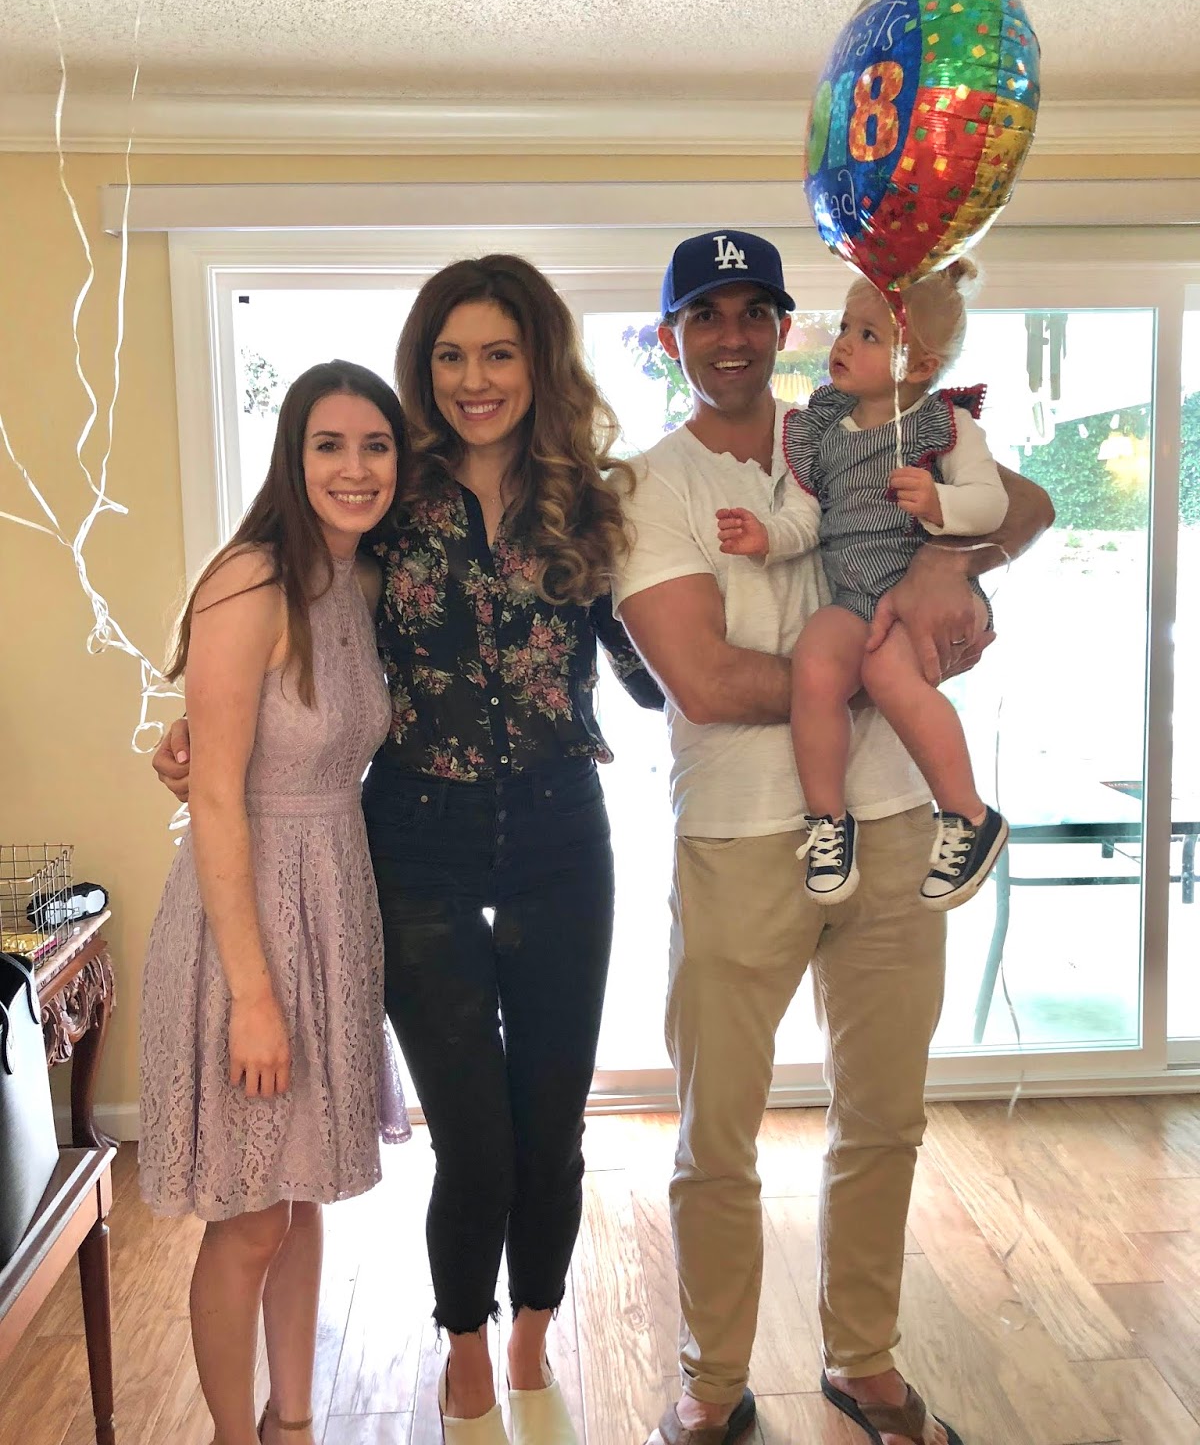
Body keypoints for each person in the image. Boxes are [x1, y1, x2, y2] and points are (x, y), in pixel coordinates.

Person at [154, 257, 664, 1445]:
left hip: (560, 836)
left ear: (538, 362)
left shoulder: (590, 507)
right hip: (412, 843)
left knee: (552, 1122)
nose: (475, 378)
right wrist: (193, 739)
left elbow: (652, 669)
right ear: (423, 370)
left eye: (498, 352)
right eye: (450, 355)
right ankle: (463, 1348)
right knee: (471, 1136)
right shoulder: (391, 503)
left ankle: (532, 1338)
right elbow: (283, 629)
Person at [612, 230, 1054, 1445]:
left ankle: (864, 1360)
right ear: (673, 337)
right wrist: (876, 672)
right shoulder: (649, 486)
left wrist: (951, 562)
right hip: (740, 839)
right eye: (707, 315)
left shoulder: (859, 421)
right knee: (717, 1134)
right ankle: (712, 1381)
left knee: (885, 1117)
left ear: (786, 327)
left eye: (755, 311)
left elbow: (1030, 502)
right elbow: (704, 679)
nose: (734, 336)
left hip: (900, 822)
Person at [139, 360, 411, 1445]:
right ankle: (230, 1435)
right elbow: (213, 793)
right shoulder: (248, 581)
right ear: (292, 458)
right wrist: (253, 997)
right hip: (243, 925)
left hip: (334, 901)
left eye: (376, 445)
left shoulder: (362, 581)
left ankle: (293, 1423)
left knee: (299, 1202)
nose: (355, 467)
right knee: (251, 1217)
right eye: (329, 444)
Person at [715, 260, 1010, 909]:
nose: (844, 343)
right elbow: (805, 516)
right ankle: (828, 820)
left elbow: (992, 504)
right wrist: (767, 538)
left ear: (921, 365)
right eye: (847, 327)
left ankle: (968, 813)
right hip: (854, 597)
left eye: (869, 335)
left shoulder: (944, 425)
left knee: (888, 673)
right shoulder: (822, 428)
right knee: (816, 663)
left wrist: (940, 502)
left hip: (924, 594)